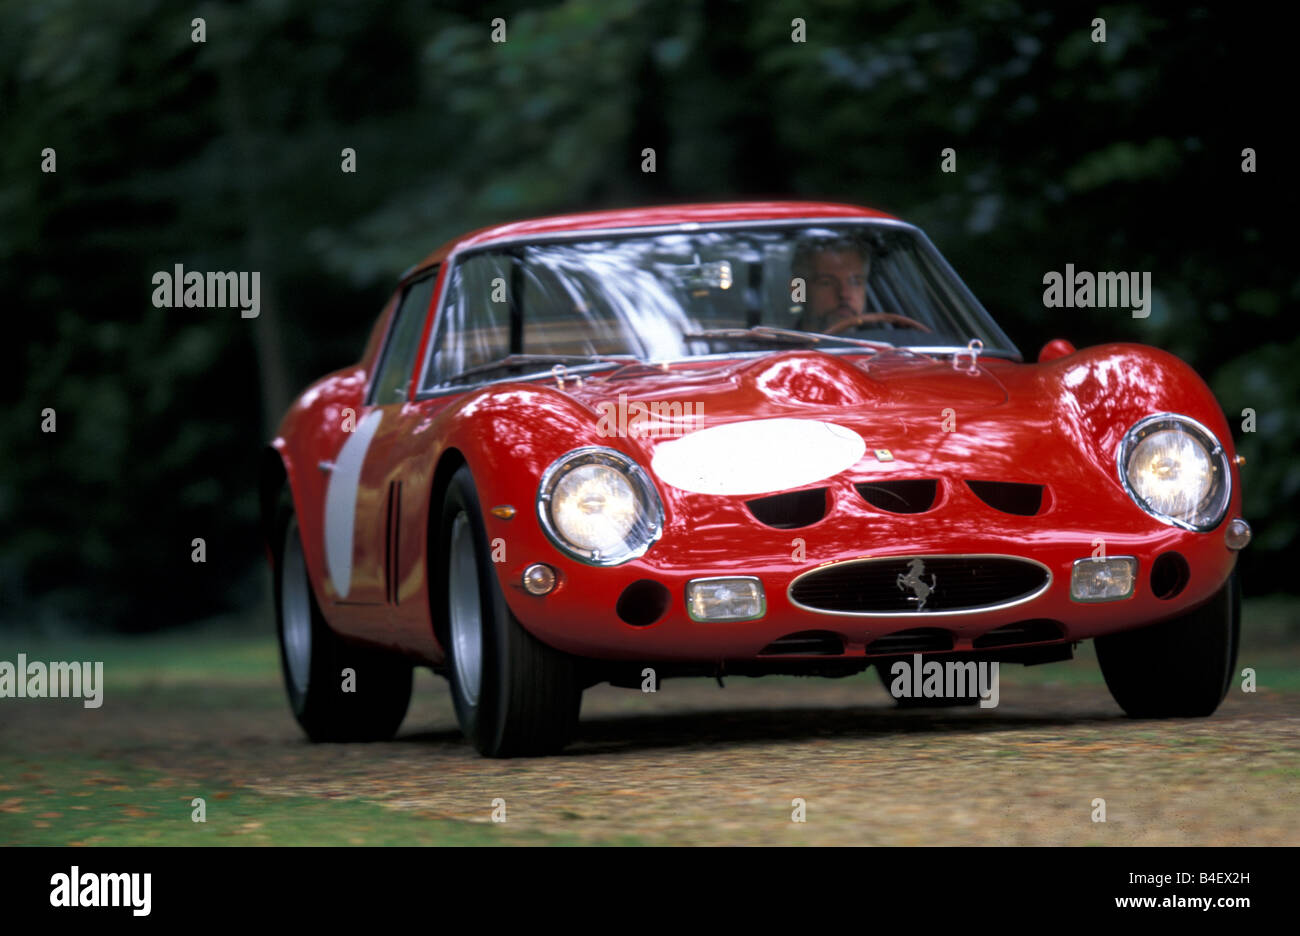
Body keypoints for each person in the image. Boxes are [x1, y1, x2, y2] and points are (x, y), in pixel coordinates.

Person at [791, 236, 871, 333]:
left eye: (855, 283)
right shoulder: (780, 347)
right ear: (798, 291)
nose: (844, 294)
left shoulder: (885, 342)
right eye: (827, 283)